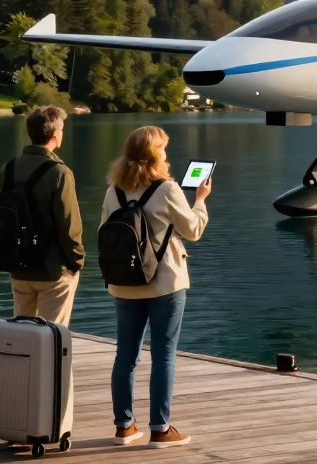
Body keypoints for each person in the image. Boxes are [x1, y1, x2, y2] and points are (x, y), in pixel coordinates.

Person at [101, 126, 209, 449]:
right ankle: (160, 429)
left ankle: (124, 426)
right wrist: (200, 201)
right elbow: (193, 230)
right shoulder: (168, 189)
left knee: (125, 355)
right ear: (152, 154)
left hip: (124, 284)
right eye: (163, 148)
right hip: (165, 284)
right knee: (163, 355)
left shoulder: (113, 190)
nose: (166, 153)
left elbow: (104, 234)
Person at [0, 105, 84, 325]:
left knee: (23, 336)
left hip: (19, 267)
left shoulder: (8, 168)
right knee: (52, 336)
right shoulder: (59, 172)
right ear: (55, 135)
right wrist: (77, 261)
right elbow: (68, 224)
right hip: (53, 270)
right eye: (62, 129)